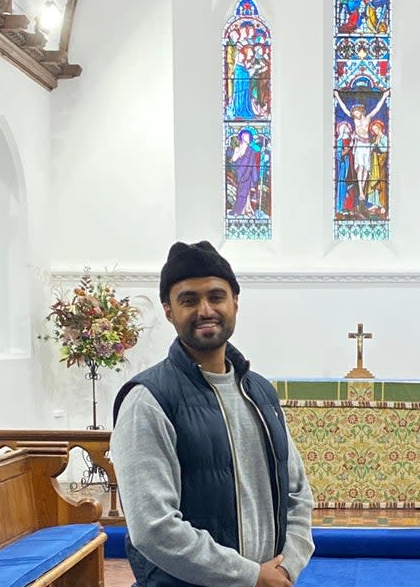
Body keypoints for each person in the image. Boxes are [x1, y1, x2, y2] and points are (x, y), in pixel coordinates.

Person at [111, 241, 314, 587]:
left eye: (216, 296)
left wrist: (285, 568)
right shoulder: (148, 400)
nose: (205, 309)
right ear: (168, 311)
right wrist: (251, 576)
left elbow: (297, 493)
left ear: (235, 302)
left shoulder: (260, 392)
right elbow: (152, 527)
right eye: (189, 300)